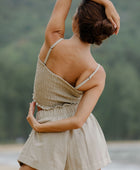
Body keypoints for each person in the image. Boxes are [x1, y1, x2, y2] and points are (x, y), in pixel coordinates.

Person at [18, 0, 120, 169]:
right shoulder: (97, 73)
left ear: (75, 21)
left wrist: (107, 3)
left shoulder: (53, 40)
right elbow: (78, 121)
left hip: (48, 129)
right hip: (84, 139)